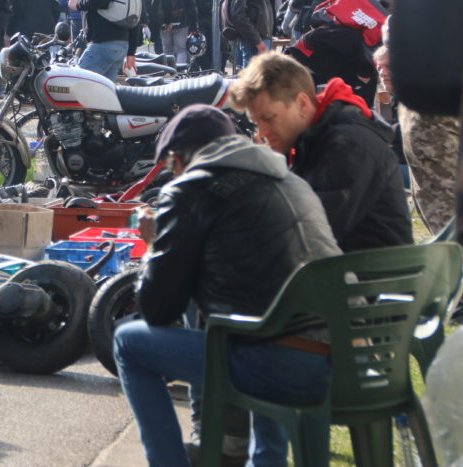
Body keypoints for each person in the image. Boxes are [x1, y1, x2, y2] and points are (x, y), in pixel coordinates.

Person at [114, 105, 340, 467]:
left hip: (274, 364)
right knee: (266, 323)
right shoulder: (290, 179)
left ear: (178, 158)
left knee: (129, 342)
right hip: (339, 359)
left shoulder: (188, 189)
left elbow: (158, 309)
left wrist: (156, 245)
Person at [229, 52, 412, 252]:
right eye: (257, 123)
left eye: (269, 118)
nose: (262, 132)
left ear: (302, 104)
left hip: (370, 278)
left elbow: (306, 234)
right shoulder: (312, 140)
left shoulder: (347, 144)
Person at [393, 0, 463, 234]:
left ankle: (455, 280)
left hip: (441, 117)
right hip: (423, 112)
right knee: (432, 200)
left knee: (445, 208)